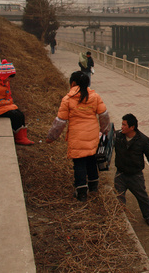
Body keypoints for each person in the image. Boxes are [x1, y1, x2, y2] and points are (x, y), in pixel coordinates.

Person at [46, 71, 110, 202]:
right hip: (92, 134)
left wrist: (51, 137)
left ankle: (81, 191)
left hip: (77, 136)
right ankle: (93, 185)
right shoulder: (95, 97)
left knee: (79, 163)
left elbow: (60, 122)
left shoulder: (68, 99)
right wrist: (105, 130)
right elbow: (104, 115)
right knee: (91, 159)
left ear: (73, 83)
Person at [112, 113, 149, 226]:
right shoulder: (118, 136)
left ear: (132, 127)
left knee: (142, 197)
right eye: (121, 124)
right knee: (119, 198)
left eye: (124, 125)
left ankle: (148, 216)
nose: (122, 127)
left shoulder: (143, 140)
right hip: (120, 174)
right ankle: (121, 220)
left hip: (135, 175)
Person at [0, 59, 34, 145]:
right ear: (3, 76)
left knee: (20, 114)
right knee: (16, 116)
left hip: (1, 105)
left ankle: (22, 136)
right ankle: (19, 138)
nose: (9, 80)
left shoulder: (3, 81)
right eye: (9, 78)